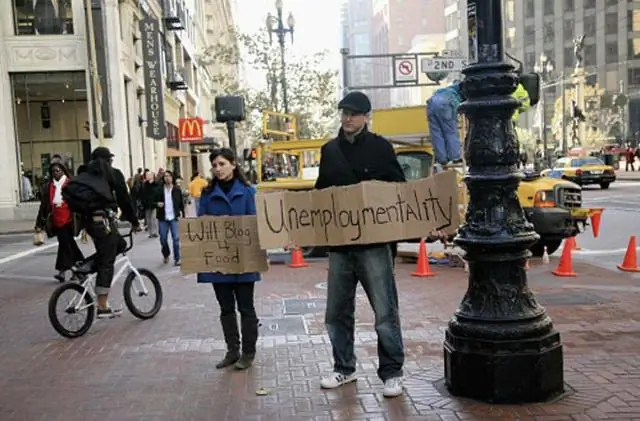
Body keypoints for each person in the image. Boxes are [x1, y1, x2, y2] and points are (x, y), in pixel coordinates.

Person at [314, 91, 407, 398]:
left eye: (353, 113)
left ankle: (392, 372)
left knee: (384, 311)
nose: (347, 118)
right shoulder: (329, 150)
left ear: (366, 116)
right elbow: (319, 196)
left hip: (374, 245)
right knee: (336, 312)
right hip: (340, 247)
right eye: (344, 112)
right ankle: (344, 368)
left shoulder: (381, 148)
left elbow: (398, 190)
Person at [197, 148, 261, 371]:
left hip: (244, 260)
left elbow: (255, 223)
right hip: (219, 261)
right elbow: (201, 225)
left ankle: (248, 352)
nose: (218, 169)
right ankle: (232, 351)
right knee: (225, 308)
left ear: (234, 164)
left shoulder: (247, 192)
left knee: (246, 307)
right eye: (214, 165)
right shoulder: (207, 194)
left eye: (222, 164)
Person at [77, 147, 140, 318]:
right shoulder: (113, 173)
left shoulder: (84, 174)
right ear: (107, 160)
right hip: (103, 221)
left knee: (120, 244)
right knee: (107, 260)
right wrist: (134, 221)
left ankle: (85, 266)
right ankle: (103, 306)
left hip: (88, 222)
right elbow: (124, 200)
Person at [35, 161, 84, 282]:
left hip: (69, 220)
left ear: (63, 171)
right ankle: (78, 267)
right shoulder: (48, 187)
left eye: (58, 171)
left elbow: (79, 202)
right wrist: (39, 224)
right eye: (53, 171)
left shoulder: (70, 184)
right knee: (67, 244)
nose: (55, 173)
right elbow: (44, 207)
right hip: (56, 220)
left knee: (65, 244)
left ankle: (68, 271)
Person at [426, 80, 465, 167]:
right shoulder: (457, 94)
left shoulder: (446, 89)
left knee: (436, 133)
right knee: (450, 132)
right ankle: (455, 157)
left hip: (431, 103)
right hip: (445, 103)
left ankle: (442, 159)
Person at [155, 170, 184, 265]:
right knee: (163, 239)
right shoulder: (159, 189)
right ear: (163, 178)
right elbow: (151, 201)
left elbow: (181, 204)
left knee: (176, 239)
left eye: (169, 176)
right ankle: (166, 254)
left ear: (172, 178)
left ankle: (177, 258)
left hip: (174, 218)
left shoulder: (176, 189)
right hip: (163, 218)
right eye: (165, 176)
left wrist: (182, 215)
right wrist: (157, 204)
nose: (167, 178)